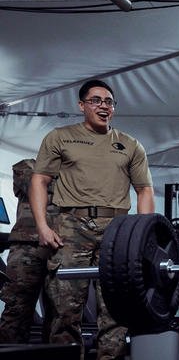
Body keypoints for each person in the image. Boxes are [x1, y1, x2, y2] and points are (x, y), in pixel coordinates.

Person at [29, 79, 155, 360]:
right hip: (71, 227)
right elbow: (39, 180)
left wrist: (141, 236)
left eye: (108, 101)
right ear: (82, 105)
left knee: (116, 309)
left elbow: (144, 190)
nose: (103, 106)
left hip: (117, 229)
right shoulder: (60, 137)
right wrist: (42, 226)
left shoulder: (130, 144)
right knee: (65, 308)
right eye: (96, 100)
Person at [0, 159, 59, 343]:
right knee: (17, 308)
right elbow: (33, 183)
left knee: (60, 313)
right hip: (27, 245)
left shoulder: (75, 172)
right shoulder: (26, 165)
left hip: (60, 246)